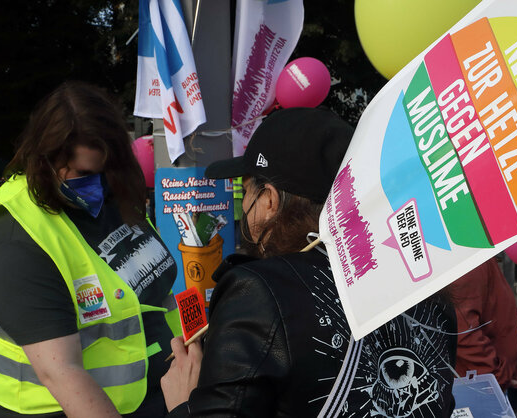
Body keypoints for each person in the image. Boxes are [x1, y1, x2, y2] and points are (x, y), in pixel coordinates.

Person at [161, 108, 458, 417]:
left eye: (247, 189)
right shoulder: (427, 291)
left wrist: (184, 404)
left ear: (270, 200)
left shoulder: (261, 290)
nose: (244, 205)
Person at [0, 81, 181, 417]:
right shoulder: (12, 240)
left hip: (156, 394)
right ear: (45, 160)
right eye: (83, 173)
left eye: (106, 171)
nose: (98, 185)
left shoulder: (110, 200)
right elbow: (61, 373)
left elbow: (160, 289)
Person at [448, 260, 517, 390]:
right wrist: (494, 377)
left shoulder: (470, 251)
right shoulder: (463, 256)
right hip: (480, 384)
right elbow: (463, 333)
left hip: (485, 378)